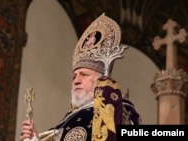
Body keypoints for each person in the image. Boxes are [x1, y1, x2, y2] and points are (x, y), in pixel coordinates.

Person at [19, 13, 141, 141]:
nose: (76, 80)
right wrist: (34, 139)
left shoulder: (119, 108)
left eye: (84, 75)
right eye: (74, 76)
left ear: (100, 82)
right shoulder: (68, 120)